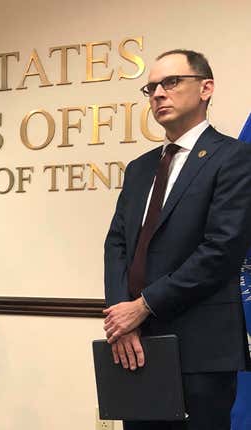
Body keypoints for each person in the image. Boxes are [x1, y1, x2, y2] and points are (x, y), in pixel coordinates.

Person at [103, 49, 251, 430]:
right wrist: (123, 317)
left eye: (171, 82)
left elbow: (221, 250)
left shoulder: (235, 158)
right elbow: (117, 245)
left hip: (202, 349)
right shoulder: (139, 169)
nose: (158, 94)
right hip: (136, 345)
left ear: (206, 88)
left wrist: (145, 305)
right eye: (151, 87)